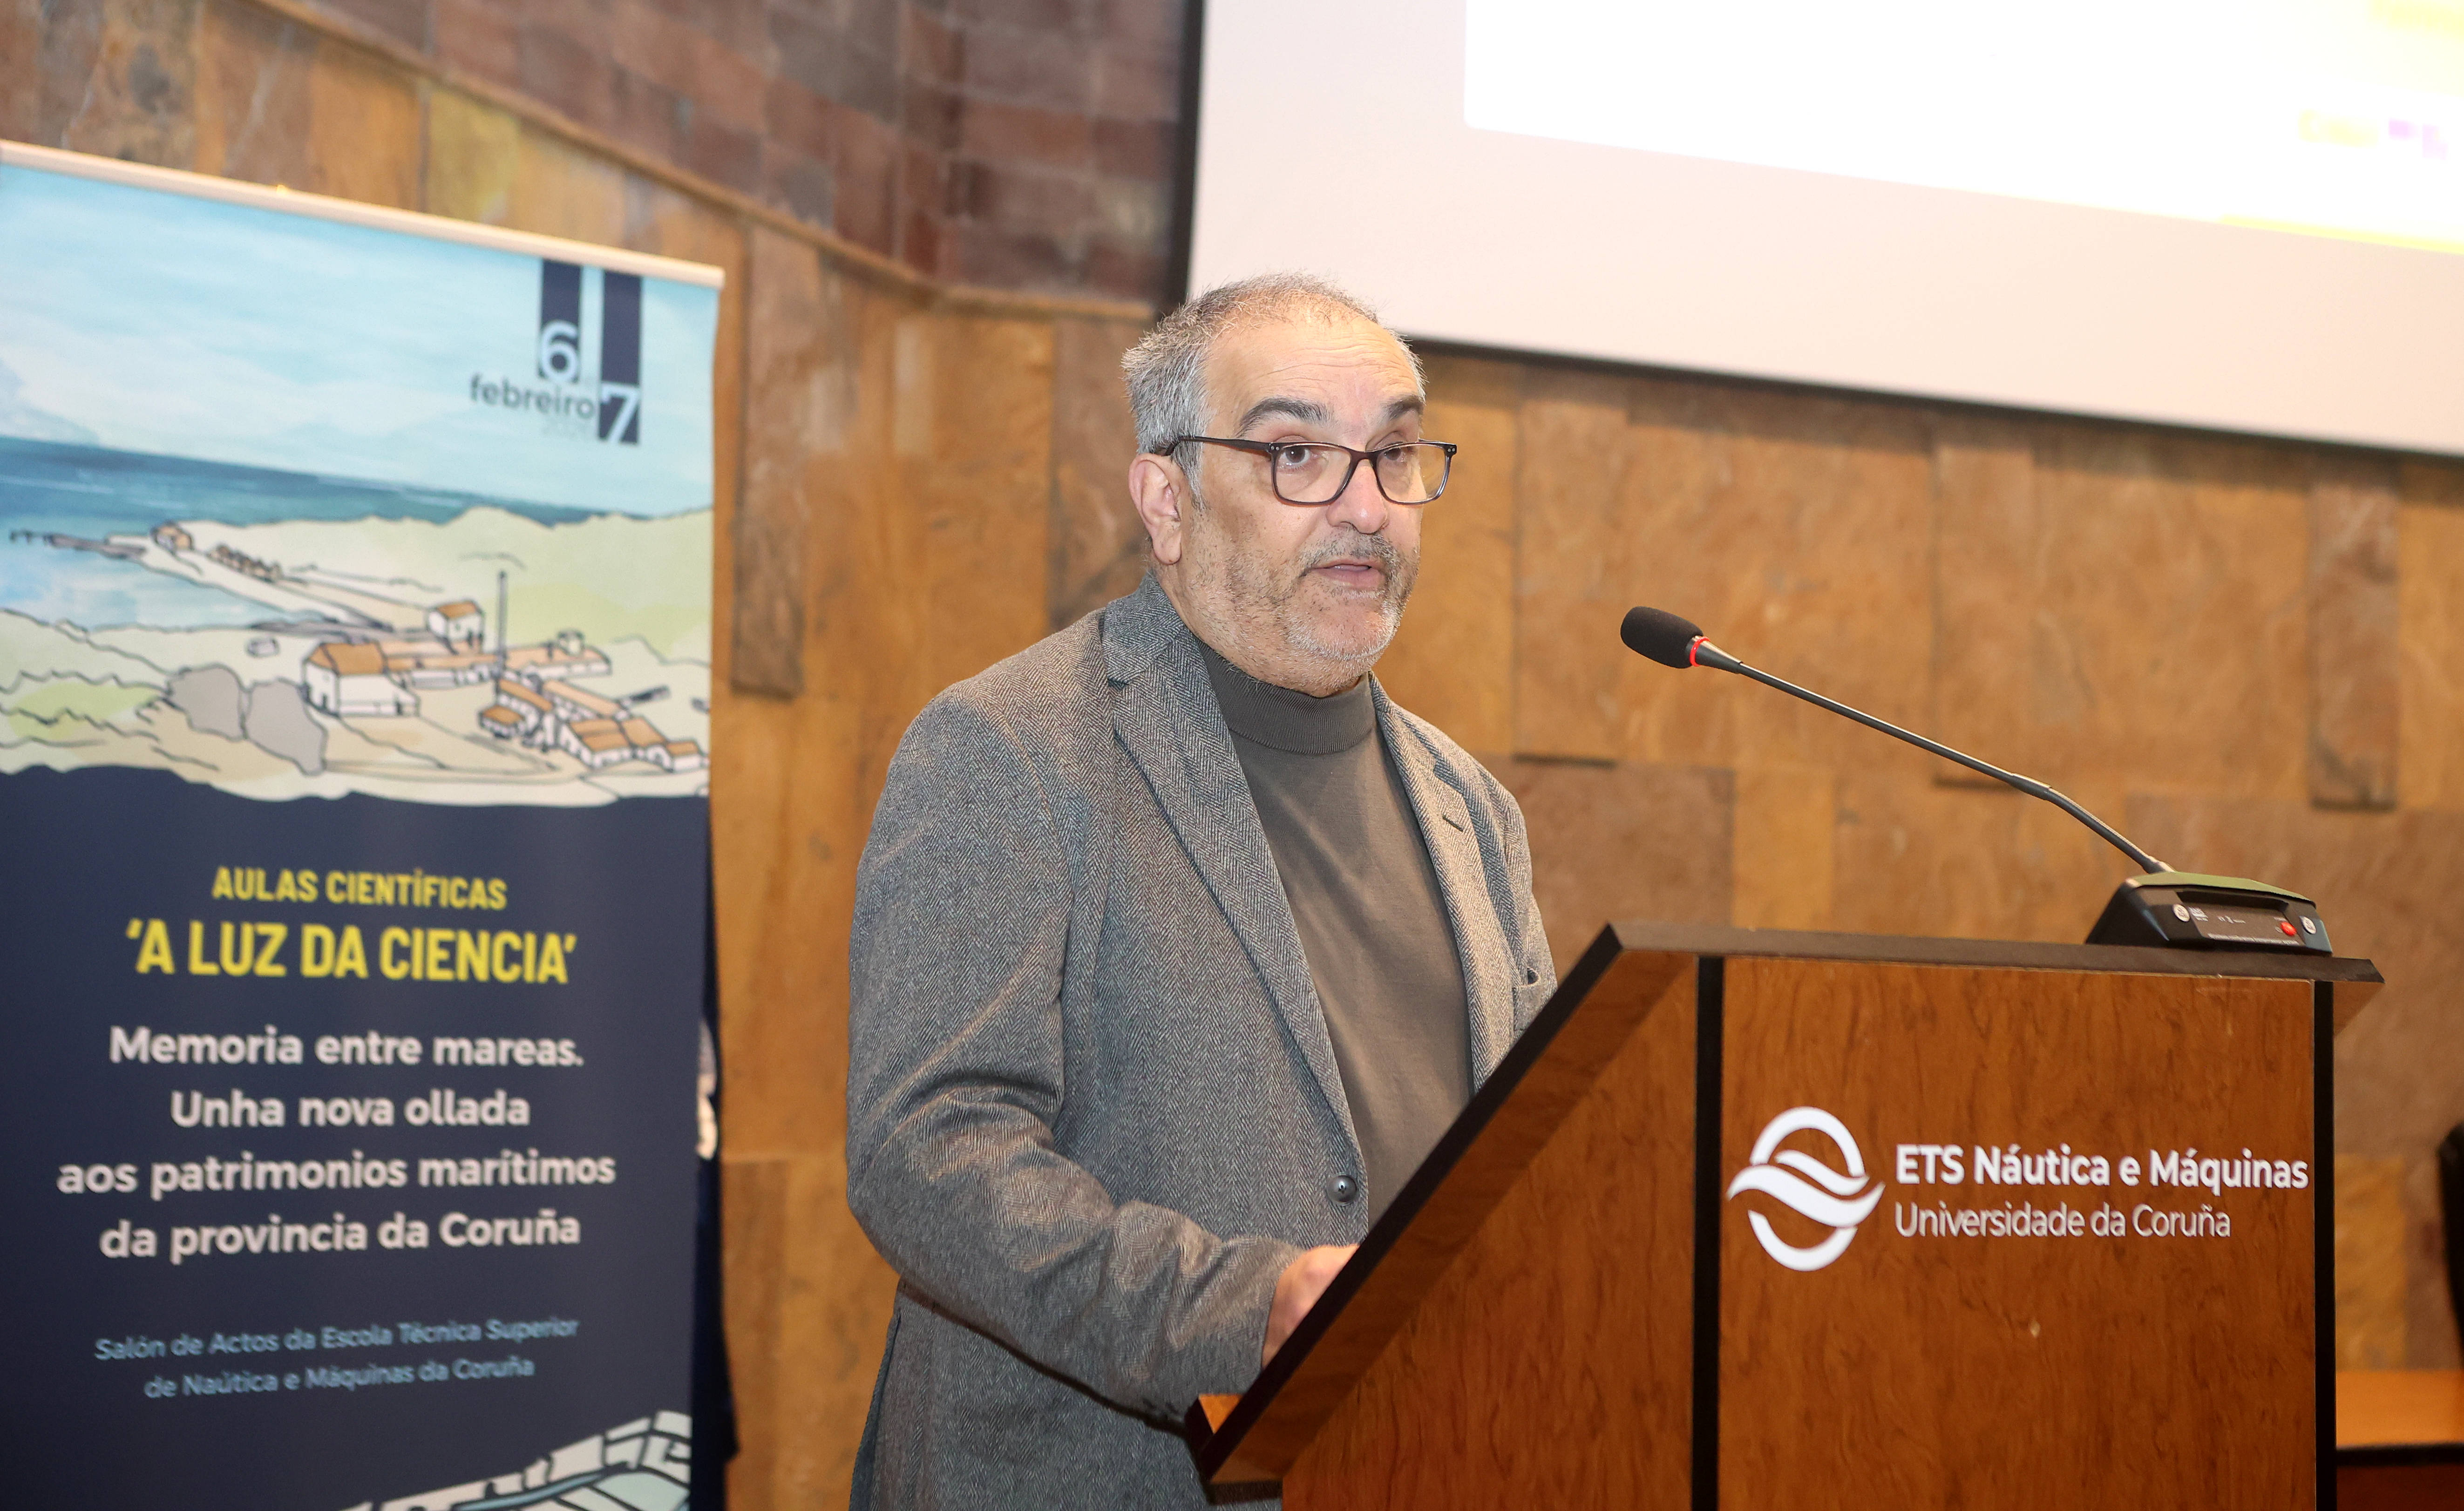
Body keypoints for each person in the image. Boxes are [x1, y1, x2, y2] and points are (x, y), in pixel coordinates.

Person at [844, 273, 1555, 1509]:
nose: (1365, 508)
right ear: (1165, 502)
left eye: (1394, 454)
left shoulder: (1472, 810)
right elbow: (929, 1153)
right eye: (1294, 456)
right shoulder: (1010, 750)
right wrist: (1244, 1312)